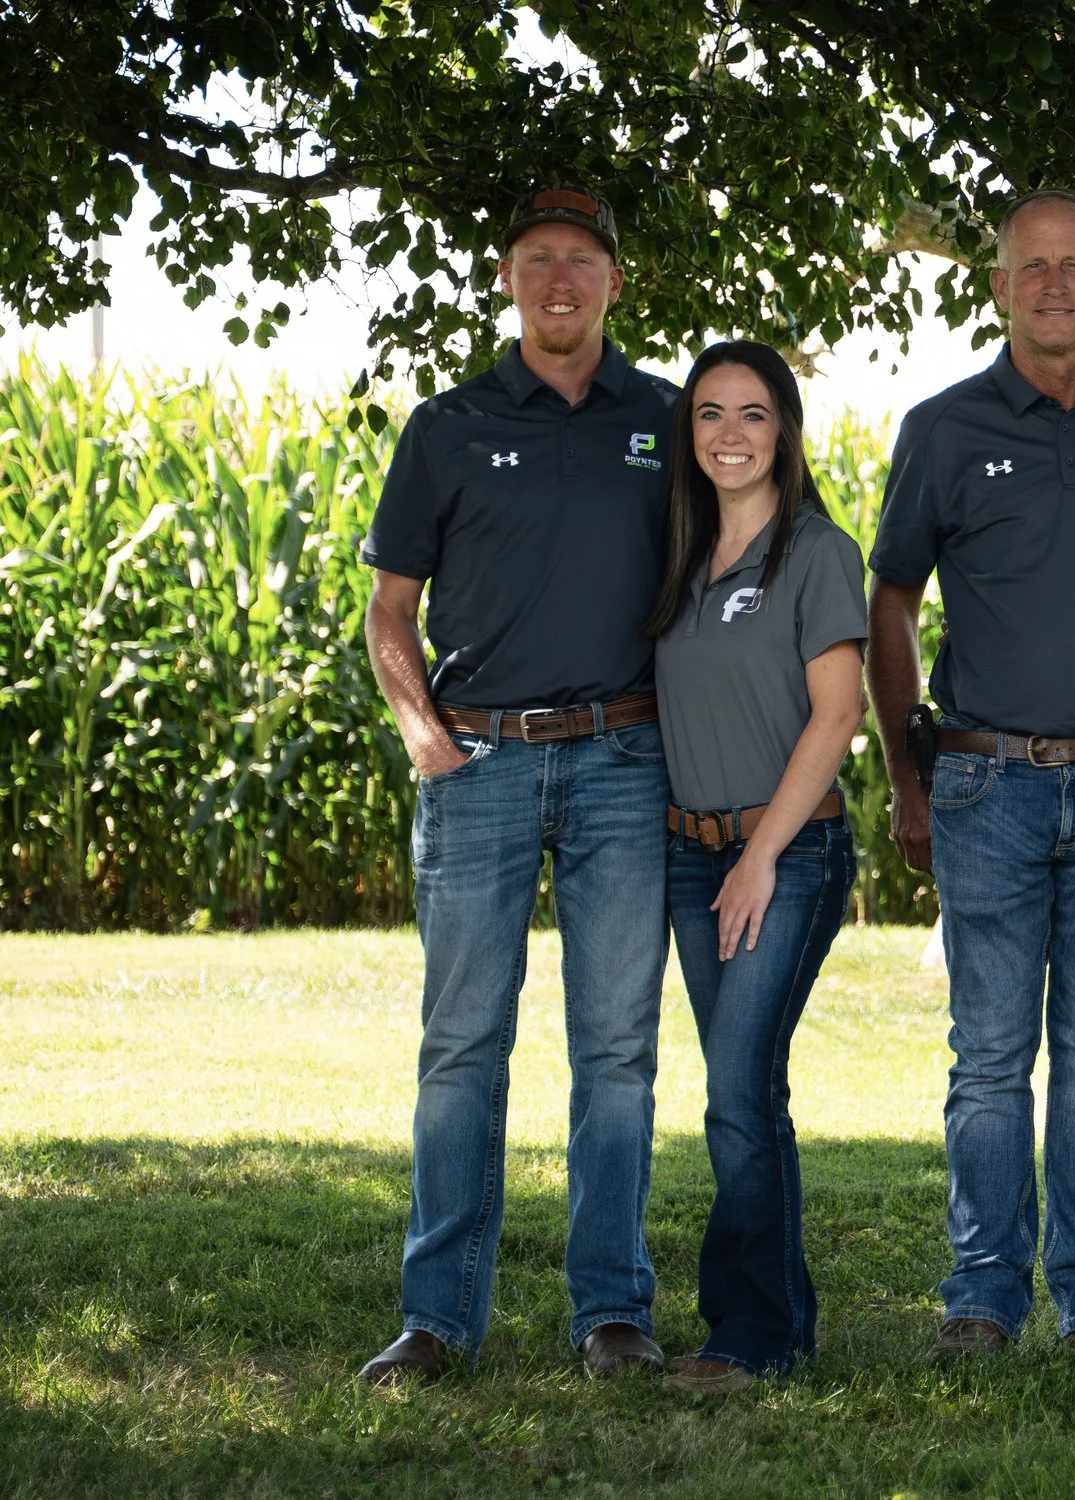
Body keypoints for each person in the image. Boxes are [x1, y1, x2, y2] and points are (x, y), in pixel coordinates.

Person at [864, 189, 1075, 1364]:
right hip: (983, 783)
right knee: (991, 1059)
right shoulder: (946, 428)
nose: (1054, 285)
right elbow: (890, 600)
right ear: (998, 287)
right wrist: (910, 768)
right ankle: (982, 1298)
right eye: (1032, 268)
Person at [356, 186, 679, 1384]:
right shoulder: (445, 426)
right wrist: (419, 731)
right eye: (538, 257)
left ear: (611, 282)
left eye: (582, 260)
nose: (560, 277)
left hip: (622, 760)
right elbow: (390, 610)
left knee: (616, 1052)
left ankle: (612, 1314)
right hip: (479, 761)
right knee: (461, 1051)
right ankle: (438, 1319)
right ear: (507, 276)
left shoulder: (661, 419)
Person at [645, 341, 869, 1394]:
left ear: (784, 430)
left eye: (752, 415)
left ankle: (750, 1334)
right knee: (745, 1090)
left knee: (736, 1088)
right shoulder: (680, 556)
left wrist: (761, 858)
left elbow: (839, 713)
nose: (729, 435)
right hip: (692, 858)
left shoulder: (814, 551)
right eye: (708, 416)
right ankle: (782, 1321)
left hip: (789, 852)